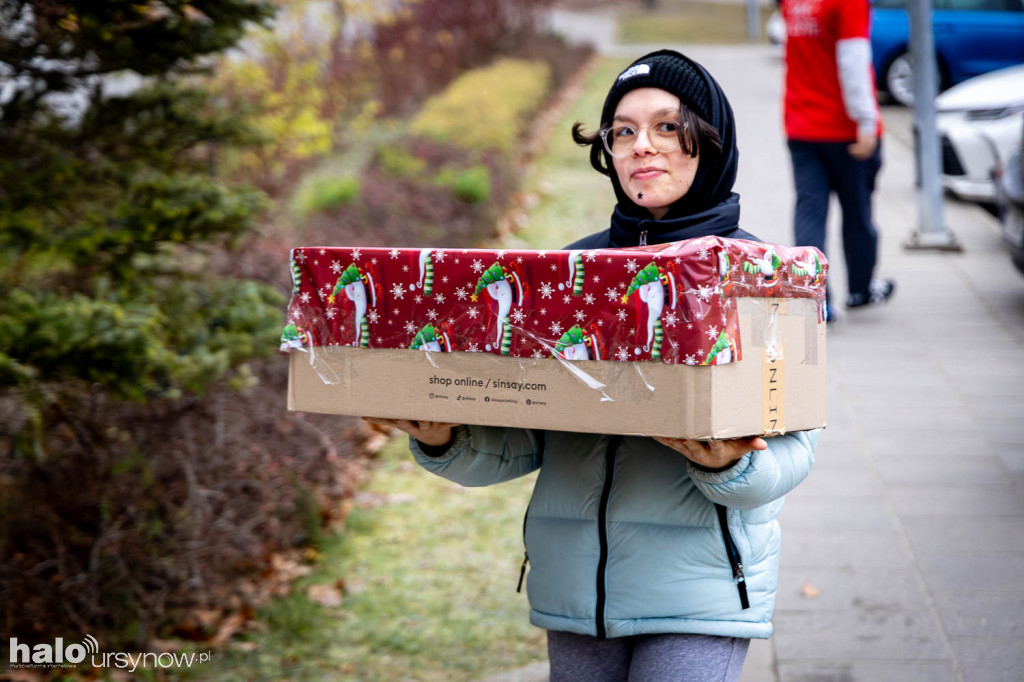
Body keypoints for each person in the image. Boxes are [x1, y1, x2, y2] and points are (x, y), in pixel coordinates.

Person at [366, 50, 818, 682]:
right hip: (577, 593)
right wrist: (442, 436)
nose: (642, 146)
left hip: (700, 591)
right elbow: (524, 436)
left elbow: (797, 450)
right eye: (624, 131)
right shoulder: (568, 275)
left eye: (667, 126)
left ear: (709, 143)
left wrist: (733, 465)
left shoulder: (765, 276)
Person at [781, 0, 895, 320]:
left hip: (801, 125)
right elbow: (853, 61)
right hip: (845, 130)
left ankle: (817, 301)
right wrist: (866, 121)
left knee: (810, 213)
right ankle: (860, 290)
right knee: (858, 212)